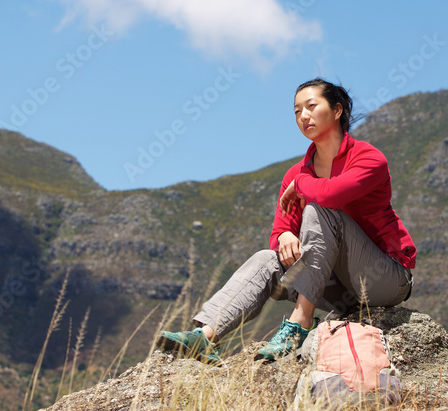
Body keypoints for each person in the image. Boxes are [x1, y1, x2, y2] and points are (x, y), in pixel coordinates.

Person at [156, 78, 416, 364]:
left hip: (383, 277)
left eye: (311, 106)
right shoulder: (297, 173)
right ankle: (206, 336)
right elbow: (281, 228)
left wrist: (301, 183)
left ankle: (300, 324)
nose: (303, 116)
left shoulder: (368, 158)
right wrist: (283, 237)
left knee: (319, 210)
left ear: (337, 110)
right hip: (338, 289)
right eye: (296, 111)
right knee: (266, 258)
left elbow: (332, 195)